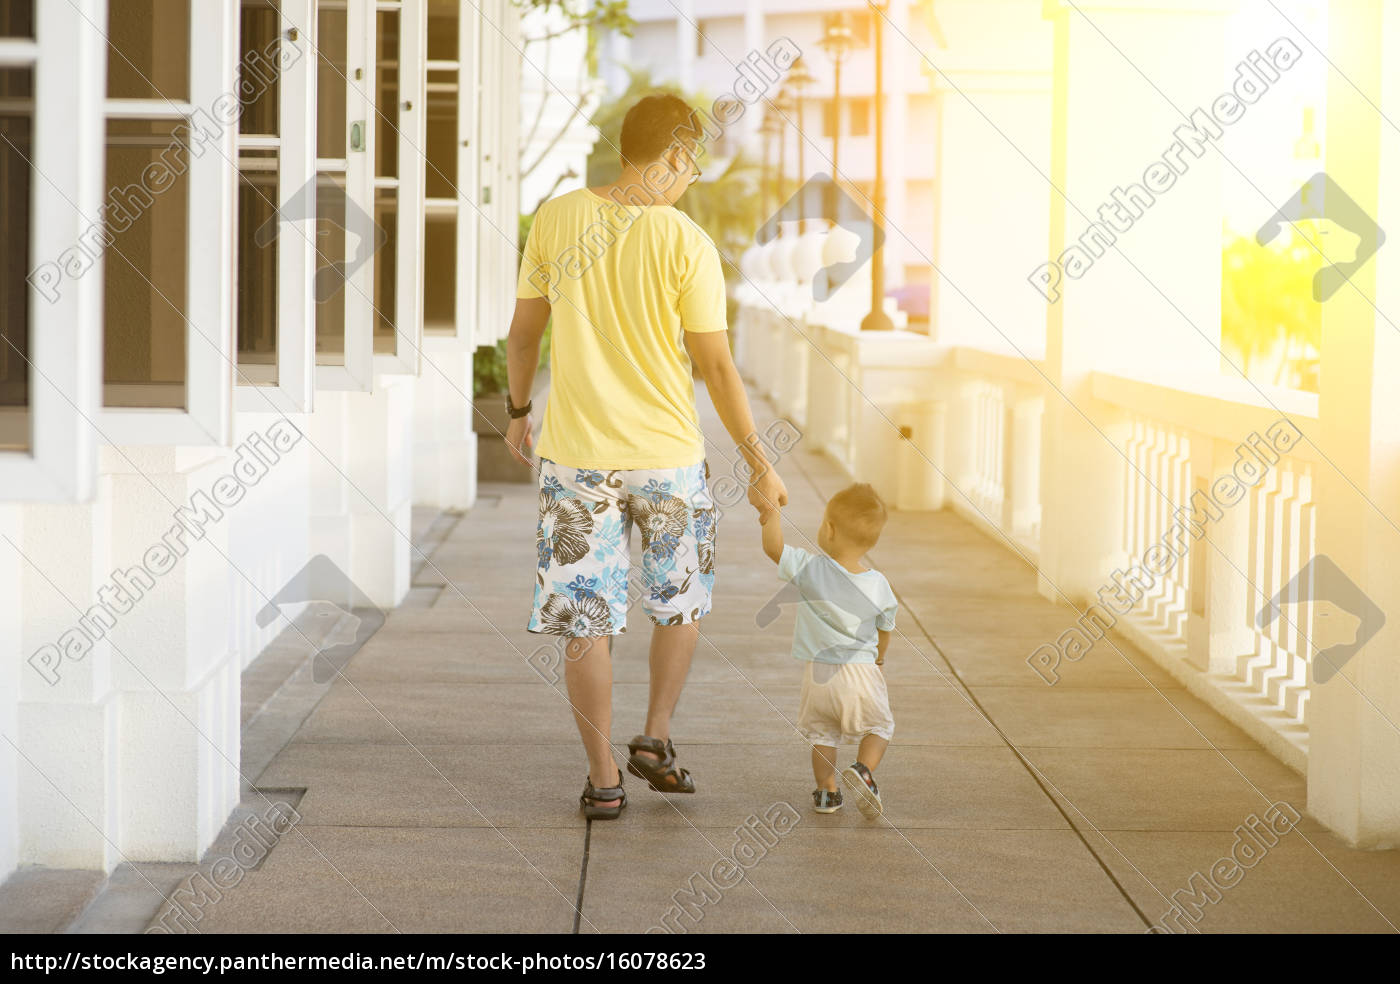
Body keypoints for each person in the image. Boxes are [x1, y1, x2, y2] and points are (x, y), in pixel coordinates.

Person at [503, 93, 788, 819]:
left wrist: (516, 412)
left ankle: (604, 780)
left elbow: (524, 332)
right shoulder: (686, 243)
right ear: (672, 156)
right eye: (691, 161)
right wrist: (760, 462)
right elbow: (718, 369)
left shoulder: (558, 217)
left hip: (576, 459)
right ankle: (655, 736)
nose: (691, 177)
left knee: (584, 621)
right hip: (667, 459)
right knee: (678, 605)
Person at [760, 483, 896, 817]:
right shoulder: (878, 584)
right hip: (860, 672)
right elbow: (885, 629)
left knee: (823, 734)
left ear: (830, 530)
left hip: (818, 675)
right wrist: (879, 657)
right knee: (880, 727)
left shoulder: (811, 569)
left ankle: (826, 792)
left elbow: (774, 548)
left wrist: (772, 511)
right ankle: (863, 770)